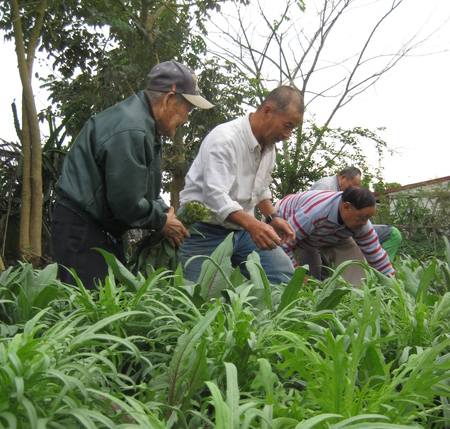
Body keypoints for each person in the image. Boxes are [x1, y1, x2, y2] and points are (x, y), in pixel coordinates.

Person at [51, 60, 214, 289]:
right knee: (90, 309)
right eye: (188, 109)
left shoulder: (146, 126)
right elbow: (126, 202)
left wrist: (166, 212)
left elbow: (144, 191)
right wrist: (161, 221)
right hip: (82, 229)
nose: (187, 119)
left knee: (109, 304)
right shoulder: (133, 129)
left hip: (100, 229)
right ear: (168, 99)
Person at [177, 86, 304, 284]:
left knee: (283, 277)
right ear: (268, 111)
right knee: (196, 297)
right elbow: (215, 196)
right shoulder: (225, 139)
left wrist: (272, 217)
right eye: (287, 126)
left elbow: (259, 189)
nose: (287, 134)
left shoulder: (269, 148)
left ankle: (267, 316)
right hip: (204, 229)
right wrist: (254, 224)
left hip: (242, 230)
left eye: (292, 129)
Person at [278, 186, 395, 285]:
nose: (364, 223)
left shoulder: (361, 225)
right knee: (279, 271)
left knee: (351, 249)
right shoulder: (313, 214)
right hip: (281, 222)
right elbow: (283, 246)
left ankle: (352, 297)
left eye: (368, 218)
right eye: (362, 217)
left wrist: (395, 285)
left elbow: (376, 255)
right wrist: (297, 277)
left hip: (325, 233)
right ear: (346, 207)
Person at [310, 167, 402, 262]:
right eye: (351, 186)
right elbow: (311, 216)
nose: (353, 189)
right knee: (313, 267)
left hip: (335, 233)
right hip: (314, 234)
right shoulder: (326, 186)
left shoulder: (344, 193)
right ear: (343, 177)